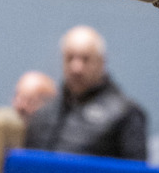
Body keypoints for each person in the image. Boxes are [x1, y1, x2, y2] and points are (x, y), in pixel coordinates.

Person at [25, 25, 148, 160]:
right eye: (70, 58)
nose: (76, 68)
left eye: (85, 59)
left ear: (101, 62)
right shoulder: (44, 112)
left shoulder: (125, 114)